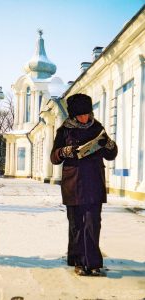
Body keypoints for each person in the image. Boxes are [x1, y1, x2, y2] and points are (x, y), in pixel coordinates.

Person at [50, 93, 118, 276]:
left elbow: (110, 154)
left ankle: (92, 263)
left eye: (87, 114)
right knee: (77, 225)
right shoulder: (64, 130)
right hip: (73, 184)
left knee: (92, 223)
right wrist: (64, 151)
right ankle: (78, 260)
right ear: (73, 115)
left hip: (94, 182)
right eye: (80, 115)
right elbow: (54, 158)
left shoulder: (97, 128)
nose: (84, 118)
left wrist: (109, 145)